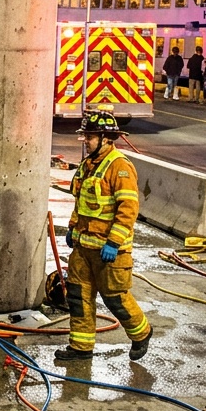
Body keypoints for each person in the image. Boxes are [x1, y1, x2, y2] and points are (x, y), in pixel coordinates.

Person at [56, 113, 152, 362]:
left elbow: (128, 210)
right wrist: (72, 228)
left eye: (90, 136)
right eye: (85, 135)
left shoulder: (120, 167)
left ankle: (141, 333)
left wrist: (113, 242)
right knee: (78, 297)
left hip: (109, 252)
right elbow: (83, 203)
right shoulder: (89, 164)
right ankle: (81, 347)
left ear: (106, 139)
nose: (85, 140)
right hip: (83, 248)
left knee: (115, 299)